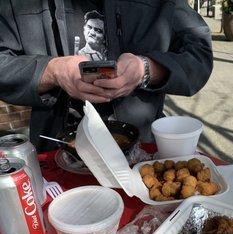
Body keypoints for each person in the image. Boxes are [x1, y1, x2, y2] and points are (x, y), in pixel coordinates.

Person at [0, 1, 213, 153]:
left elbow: (199, 54)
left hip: (142, 151)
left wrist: (146, 69)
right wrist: (53, 71)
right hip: (56, 150)